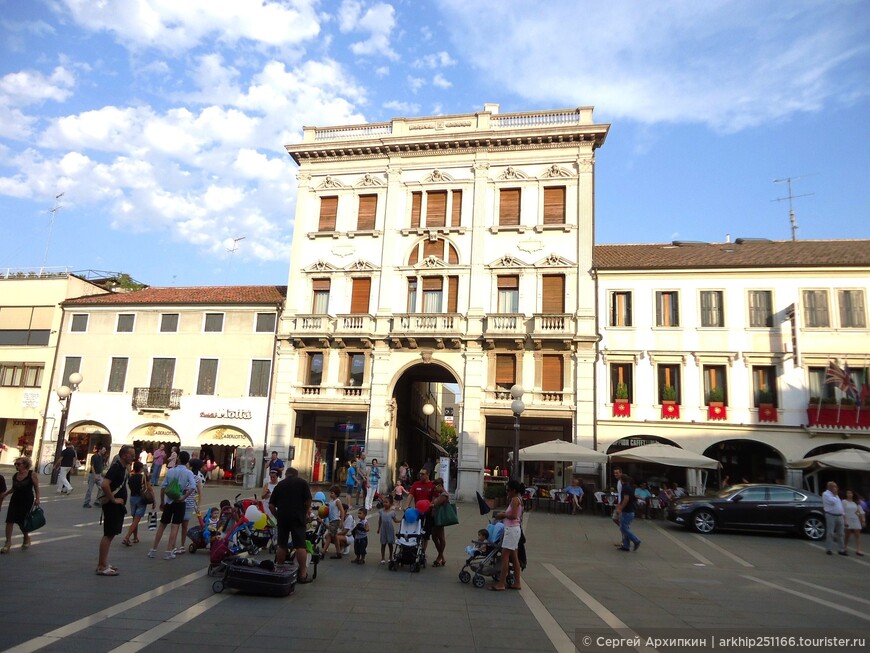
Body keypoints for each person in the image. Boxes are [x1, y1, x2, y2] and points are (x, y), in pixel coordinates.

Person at [147, 450, 196, 560]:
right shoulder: (188, 473)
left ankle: (153, 549)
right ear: (187, 461)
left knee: (162, 525)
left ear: (178, 459)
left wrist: (162, 501)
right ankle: (168, 551)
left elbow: (163, 487)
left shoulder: (171, 471)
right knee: (175, 526)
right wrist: (184, 497)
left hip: (169, 501)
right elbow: (193, 486)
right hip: (180, 502)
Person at [268, 467, 313, 583]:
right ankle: (302, 574)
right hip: (298, 517)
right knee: (300, 546)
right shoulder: (302, 483)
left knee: (282, 545)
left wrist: (278, 516)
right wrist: (305, 511)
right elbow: (308, 500)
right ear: (296, 475)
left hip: (283, 517)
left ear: (286, 475)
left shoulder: (280, 485)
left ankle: (279, 571)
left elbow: (271, 505)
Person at [97, 445, 134, 575]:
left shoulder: (123, 468)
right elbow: (104, 484)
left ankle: (104, 562)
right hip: (112, 506)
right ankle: (101, 566)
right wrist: (113, 499)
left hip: (117, 506)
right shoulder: (116, 468)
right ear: (124, 455)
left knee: (111, 534)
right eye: (131, 454)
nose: (133, 457)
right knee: (108, 534)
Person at [489, 478, 523, 591]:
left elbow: (513, 516)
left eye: (508, 490)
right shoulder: (518, 499)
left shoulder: (514, 500)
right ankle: (517, 582)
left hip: (511, 529)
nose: (507, 492)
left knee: (505, 557)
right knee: (514, 556)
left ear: (513, 490)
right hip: (514, 529)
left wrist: (502, 515)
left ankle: (501, 583)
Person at [1, 457, 40, 554]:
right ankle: (8, 542)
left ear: (25, 465)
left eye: (19, 464)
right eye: (16, 464)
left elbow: (36, 487)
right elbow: (14, 488)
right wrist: (6, 494)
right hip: (15, 499)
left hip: (27, 500)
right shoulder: (15, 475)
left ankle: (26, 537)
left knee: (22, 521)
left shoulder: (32, 474)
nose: (17, 466)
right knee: (9, 520)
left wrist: (38, 498)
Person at [122, 461, 153, 547]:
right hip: (141, 499)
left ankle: (135, 537)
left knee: (134, 519)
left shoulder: (131, 478)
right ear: (140, 469)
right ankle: (127, 537)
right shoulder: (143, 477)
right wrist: (154, 500)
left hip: (132, 498)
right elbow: (149, 488)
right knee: (136, 520)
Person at [406, 467, 435, 556]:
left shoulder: (432, 485)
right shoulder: (416, 484)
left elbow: (434, 499)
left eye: (423, 474)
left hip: (428, 513)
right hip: (417, 513)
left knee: (425, 535)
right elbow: (411, 495)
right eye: (420, 473)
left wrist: (431, 506)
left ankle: (422, 552)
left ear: (428, 475)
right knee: (414, 531)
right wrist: (406, 506)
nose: (420, 475)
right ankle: (413, 548)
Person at [614, 474, 641, 552]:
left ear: (622, 480)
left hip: (627, 511)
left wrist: (620, 508)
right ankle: (626, 546)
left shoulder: (625, 488)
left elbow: (626, 499)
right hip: (629, 510)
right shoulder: (629, 487)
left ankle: (636, 540)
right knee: (624, 527)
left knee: (624, 528)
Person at [321, 485, 347, 558]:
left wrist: (341, 521)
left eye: (332, 493)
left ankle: (323, 553)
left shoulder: (337, 501)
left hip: (335, 521)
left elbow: (342, 511)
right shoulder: (331, 501)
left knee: (329, 536)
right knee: (335, 537)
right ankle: (338, 553)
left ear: (336, 494)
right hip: (331, 521)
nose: (330, 494)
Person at [823, 481, 847, 556]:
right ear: (829, 487)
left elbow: (839, 505)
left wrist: (843, 514)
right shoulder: (826, 494)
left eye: (836, 487)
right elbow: (832, 502)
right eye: (834, 487)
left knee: (841, 533)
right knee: (830, 533)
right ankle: (829, 549)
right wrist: (834, 494)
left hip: (839, 515)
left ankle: (841, 549)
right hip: (831, 515)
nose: (835, 488)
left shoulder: (836, 495)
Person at [430, 476, 450, 566]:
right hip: (436, 517)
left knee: (440, 537)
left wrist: (430, 503)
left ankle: (439, 557)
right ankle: (441, 557)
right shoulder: (440, 494)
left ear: (440, 485)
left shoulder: (444, 495)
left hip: (440, 518)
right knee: (434, 536)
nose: (435, 489)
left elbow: (435, 503)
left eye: (435, 487)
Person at [377, 495, 401, 564]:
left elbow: (395, 520)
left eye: (386, 502)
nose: (385, 503)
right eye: (384, 502)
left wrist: (401, 520)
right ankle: (383, 557)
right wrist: (378, 528)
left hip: (390, 529)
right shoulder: (381, 511)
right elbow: (380, 520)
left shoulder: (392, 512)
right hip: (383, 530)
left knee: (390, 544)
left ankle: (390, 557)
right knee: (383, 544)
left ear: (390, 504)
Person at [843, 489, 865, 557]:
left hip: (855, 519)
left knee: (857, 535)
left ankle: (858, 549)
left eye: (851, 493)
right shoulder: (844, 502)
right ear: (846, 494)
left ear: (853, 494)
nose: (849, 494)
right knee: (847, 535)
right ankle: (845, 547)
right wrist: (845, 520)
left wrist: (863, 520)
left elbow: (860, 512)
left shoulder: (855, 503)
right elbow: (843, 512)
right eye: (848, 493)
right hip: (848, 519)